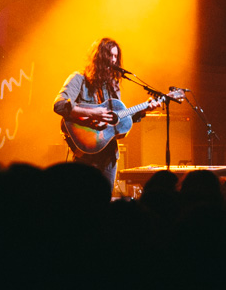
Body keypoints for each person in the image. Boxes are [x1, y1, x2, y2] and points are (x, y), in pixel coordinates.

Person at [53, 37, 157, 192]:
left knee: (104, 200)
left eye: (116, 56)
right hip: (85, 155)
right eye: (110, 55)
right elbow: (59, 105)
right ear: (99, 56)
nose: (113, 60)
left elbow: (119, 119)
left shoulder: (113, 85)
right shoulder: (78, 78)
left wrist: (144, 110)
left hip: (109, 155)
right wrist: (93, 113)